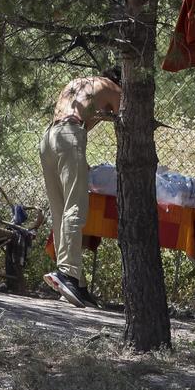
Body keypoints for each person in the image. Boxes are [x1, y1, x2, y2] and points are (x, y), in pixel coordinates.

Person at [40, 67, 121, 309]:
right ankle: (68, 275)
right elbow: (125, 125)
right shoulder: (115, 88)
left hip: (48, 138)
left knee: (59, 211)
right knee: (76, 208)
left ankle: (78, 285)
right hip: (71, 133)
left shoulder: (79, 83)